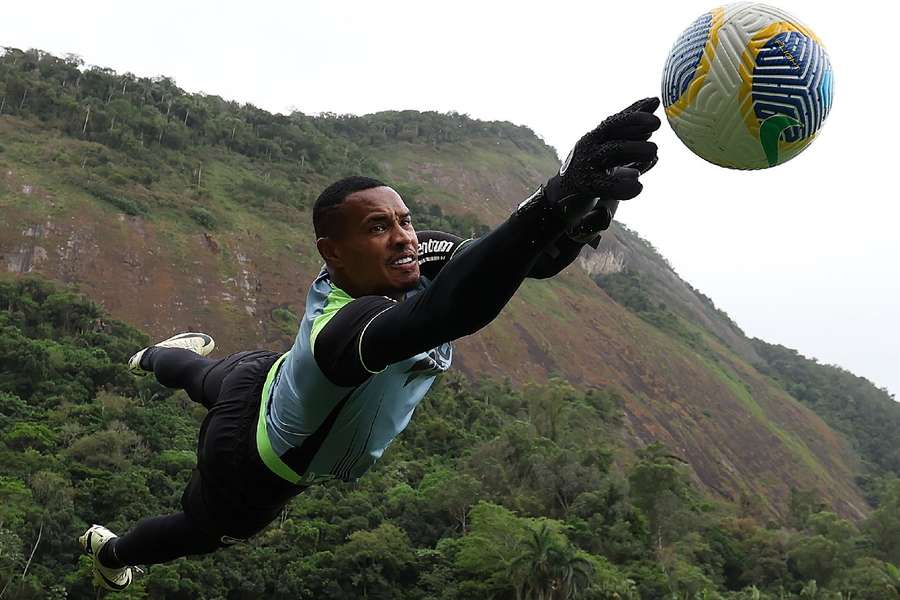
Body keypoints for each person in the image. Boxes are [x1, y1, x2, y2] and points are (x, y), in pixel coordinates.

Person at [78, 97, 661, 591]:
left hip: (267, 378)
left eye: (404, 220)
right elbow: (453, 308)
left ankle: (153, 355)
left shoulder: (408, 259)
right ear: (333, 251)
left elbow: (510, 262)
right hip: (251, 464)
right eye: (379, 227)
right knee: (199, 531)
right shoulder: (344, 333)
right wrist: (552, 199)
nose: (405, 238)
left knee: (207, 377)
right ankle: (110, 557)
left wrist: (580, 213)